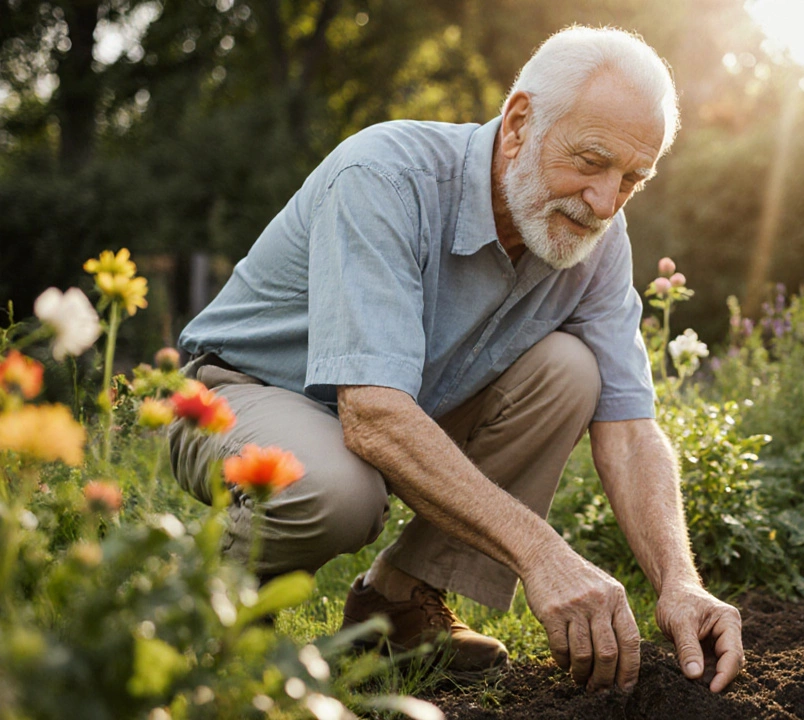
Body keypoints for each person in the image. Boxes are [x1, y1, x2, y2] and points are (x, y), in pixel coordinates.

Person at [168, 26, 744, 695]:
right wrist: (543, 556)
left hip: (393, 411)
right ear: (521, 122)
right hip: (237, 395)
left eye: (631, 181)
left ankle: (397, 606)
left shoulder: (598, 239)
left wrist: (680, 582)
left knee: (570, 372)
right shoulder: (385, 176)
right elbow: (373, 415)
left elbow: (632, 430)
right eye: (590, 161)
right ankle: (198, 617)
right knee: (335, 490)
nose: (603, 204)